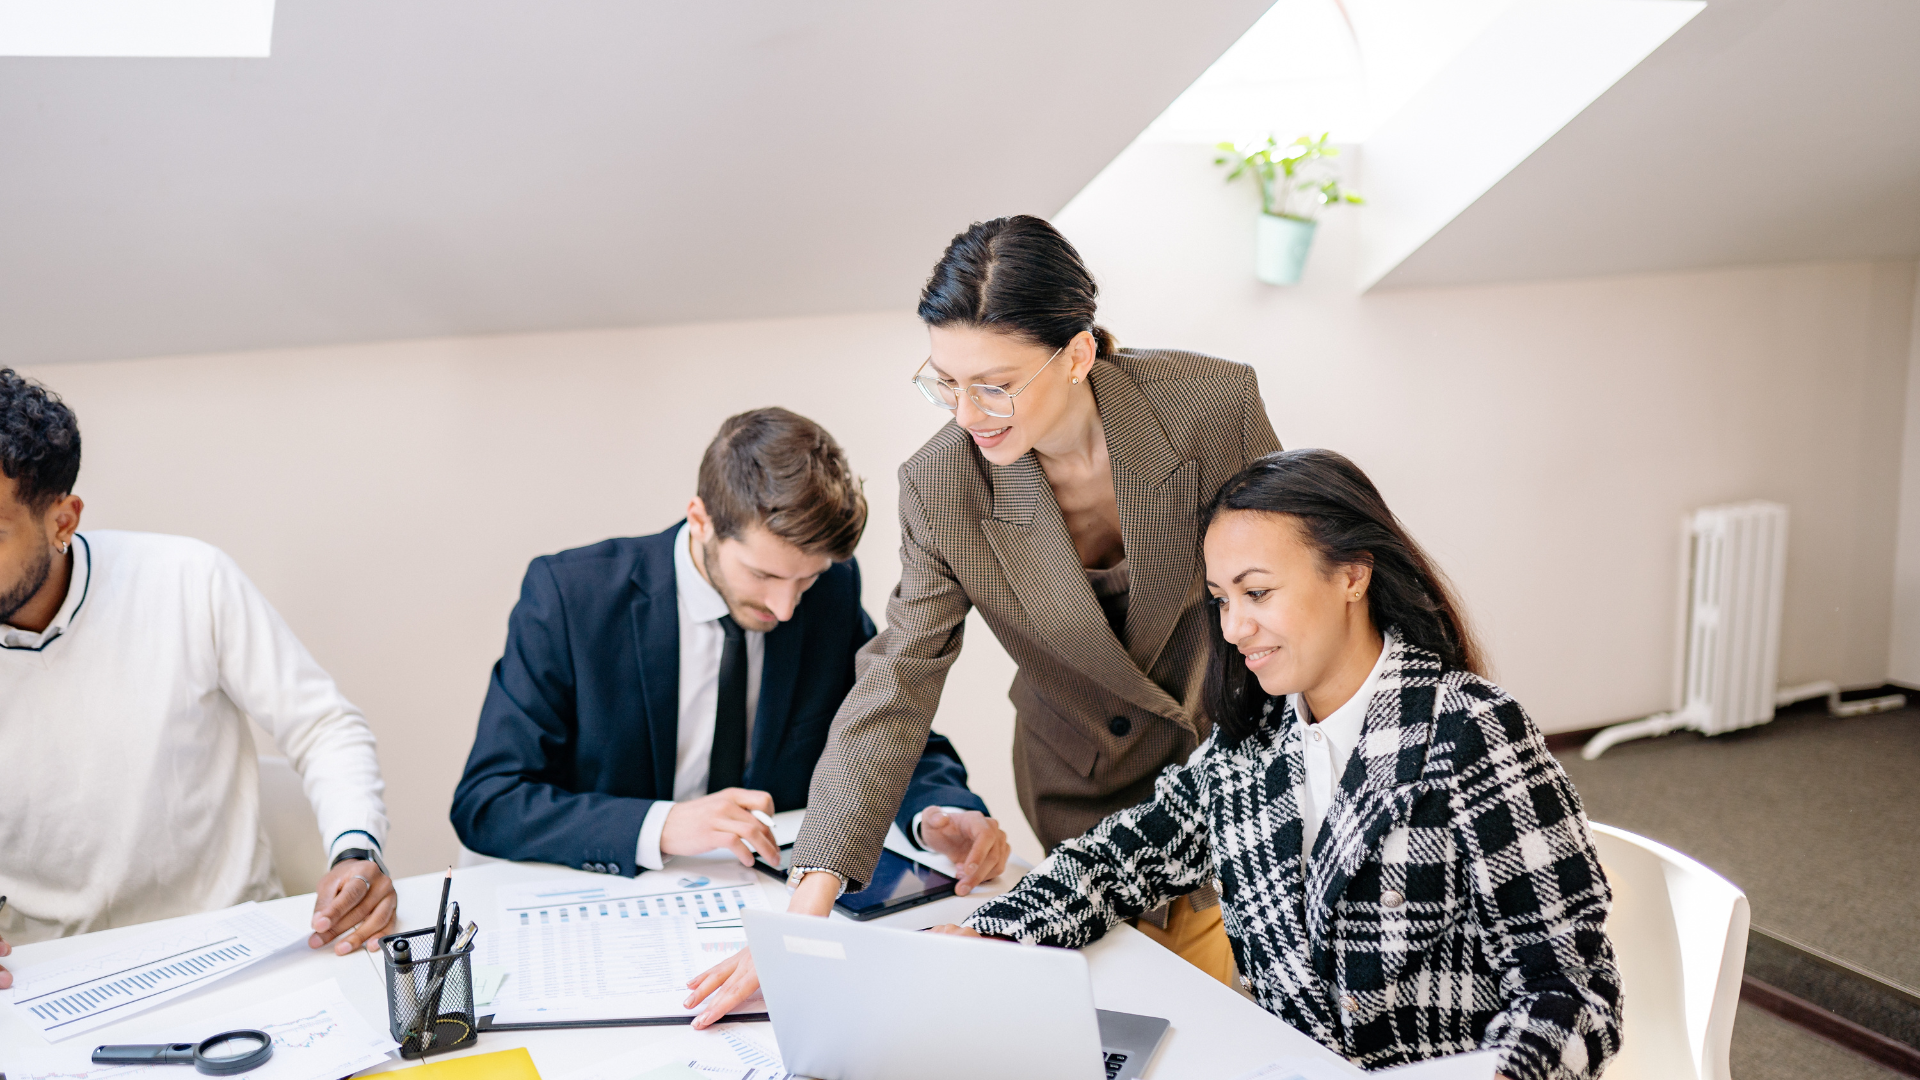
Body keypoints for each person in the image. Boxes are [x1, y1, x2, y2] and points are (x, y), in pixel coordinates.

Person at [686, 215, 1282, 1025]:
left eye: (994, 384)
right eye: (944, 381)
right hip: (1083, 783)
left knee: (1254, 1009)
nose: (967, 413)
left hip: (1235, 751)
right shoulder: (941, 486)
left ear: (1077, 354)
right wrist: (800, 924)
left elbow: (1287, 581)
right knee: (1125, 1022)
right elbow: (895, 687)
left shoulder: (1211, 406)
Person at [931, 449, 1623, 1080]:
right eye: (1221, 599)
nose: (1233, 629)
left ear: (1353, 574)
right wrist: (989, 932)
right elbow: (1116, 862)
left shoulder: (1473, 732)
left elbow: (1572, 990)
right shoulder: (1249, 745)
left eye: (1258, 593)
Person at [450, 407, 1004, 880]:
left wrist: (943, 811)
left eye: (805, 580)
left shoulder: (830, 594)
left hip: (760, 901)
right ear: (701, 520)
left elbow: (890, 732)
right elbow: (489, 801)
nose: (786, 608)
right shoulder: (571, 598)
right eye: (763, 575)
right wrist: (663, 824)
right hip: (610, 899)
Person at [0, 369, 396, 993]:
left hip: (234, 955)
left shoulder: (188, 579)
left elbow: (324, 726)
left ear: (63, 520)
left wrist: (355, 850)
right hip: (46, 976)